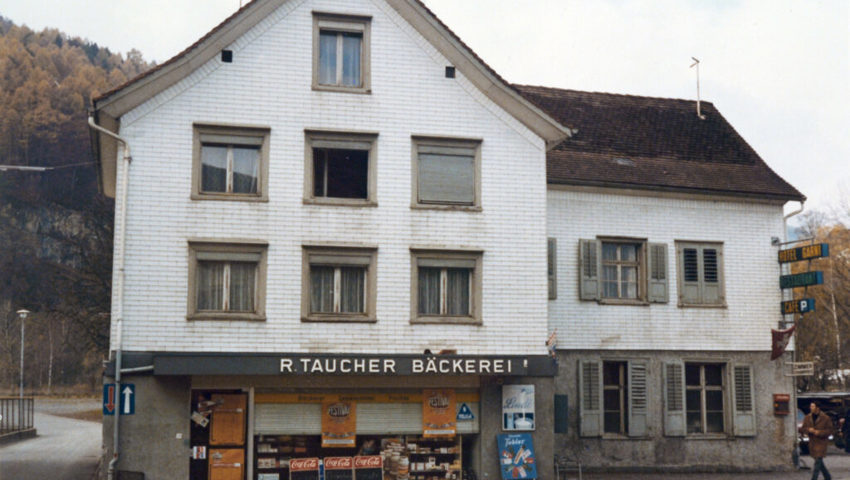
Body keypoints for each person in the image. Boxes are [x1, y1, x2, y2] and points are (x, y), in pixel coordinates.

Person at [800, 402, 833, 480]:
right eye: (810, 406)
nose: (811, 407)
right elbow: (803, 429)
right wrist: (808, 430)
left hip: (821, 443)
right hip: (812, 443)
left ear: (817, 408)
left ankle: (814, 478)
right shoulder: (807, 417)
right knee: (819, 462)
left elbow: (830, 430)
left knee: (818, 461)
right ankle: (828, 477)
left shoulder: (825, 418)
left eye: (813, 406)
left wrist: (819, 432)